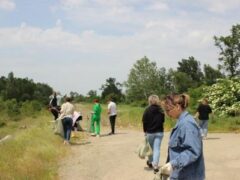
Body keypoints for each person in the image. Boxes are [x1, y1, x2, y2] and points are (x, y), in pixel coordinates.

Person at [161, 93, 205, 180]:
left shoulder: (187, 124)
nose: (167, 113)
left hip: (188, 176)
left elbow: (193, 151)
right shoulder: (182, 122)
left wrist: (173, 164)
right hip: (181, 174)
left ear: (177, 107)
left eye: (168, 110)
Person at [142, 95, 165, 174]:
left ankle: (150, 162)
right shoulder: (161, 110)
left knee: (150, 149)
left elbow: (144, 122)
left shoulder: (147, 110)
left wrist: (145, 131)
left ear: (149, 101)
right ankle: (155, 165)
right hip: (159, 132)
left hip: (150, 132)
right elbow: (162, 121)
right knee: (157, 149)